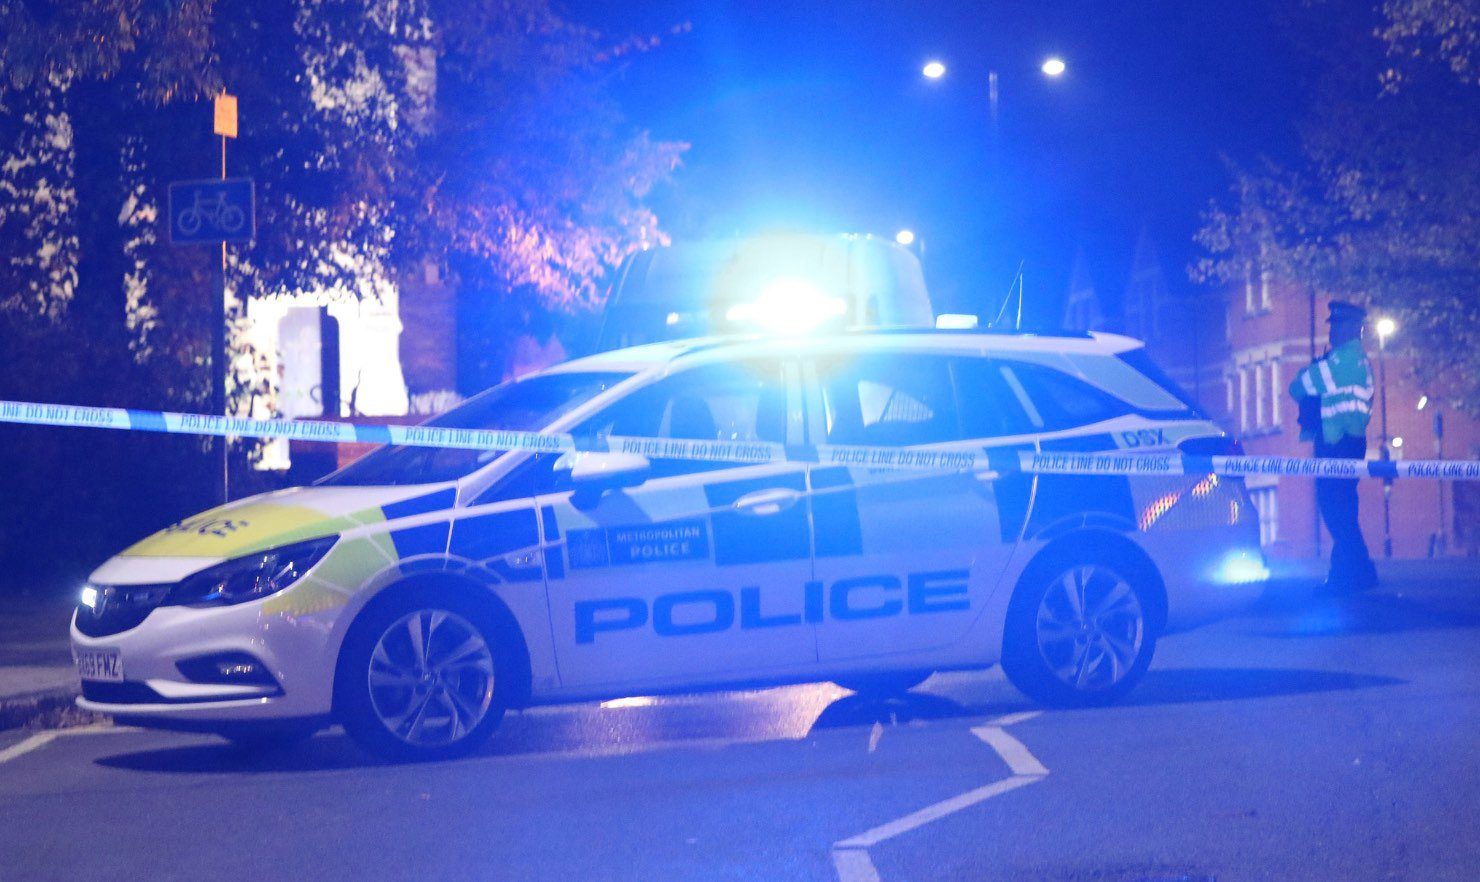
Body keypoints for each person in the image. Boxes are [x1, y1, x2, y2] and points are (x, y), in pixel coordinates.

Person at [1289, 300, 1378, 592]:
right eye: (1333, 325)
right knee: (1345, 510)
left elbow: (1297, 387)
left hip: (1334, 444)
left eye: (1338, 325)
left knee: (1335, 510)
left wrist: (1315, 368)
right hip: (1352, 443)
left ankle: (1350, 575)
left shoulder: (1338, 363)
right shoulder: (1362, 363)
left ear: (1354, 329)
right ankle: (1359, 572)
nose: (1333, 331)